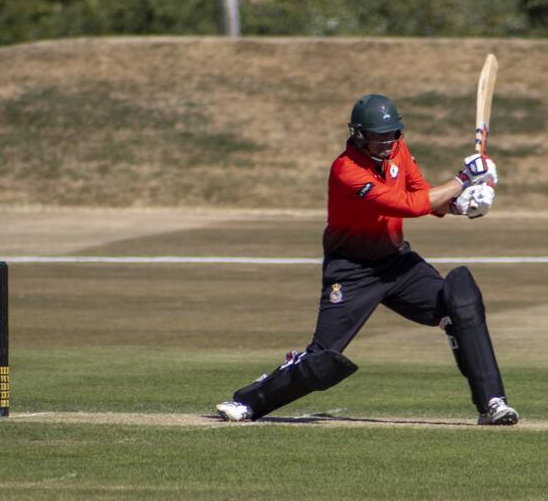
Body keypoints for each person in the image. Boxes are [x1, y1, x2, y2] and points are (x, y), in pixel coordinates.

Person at [216, 93, 518, 426]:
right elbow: (406, 205)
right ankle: (249, 400)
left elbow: (423, 195)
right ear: (359, 135)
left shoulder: (398, 150)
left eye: (392, 136)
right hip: (352, 270)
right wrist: (463, 179)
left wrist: (467, 204)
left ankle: (492, 403)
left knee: (460, 300)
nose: (387, 144)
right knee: (323, 360)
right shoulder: (347, 171)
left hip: (396, 263)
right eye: (378, 137)